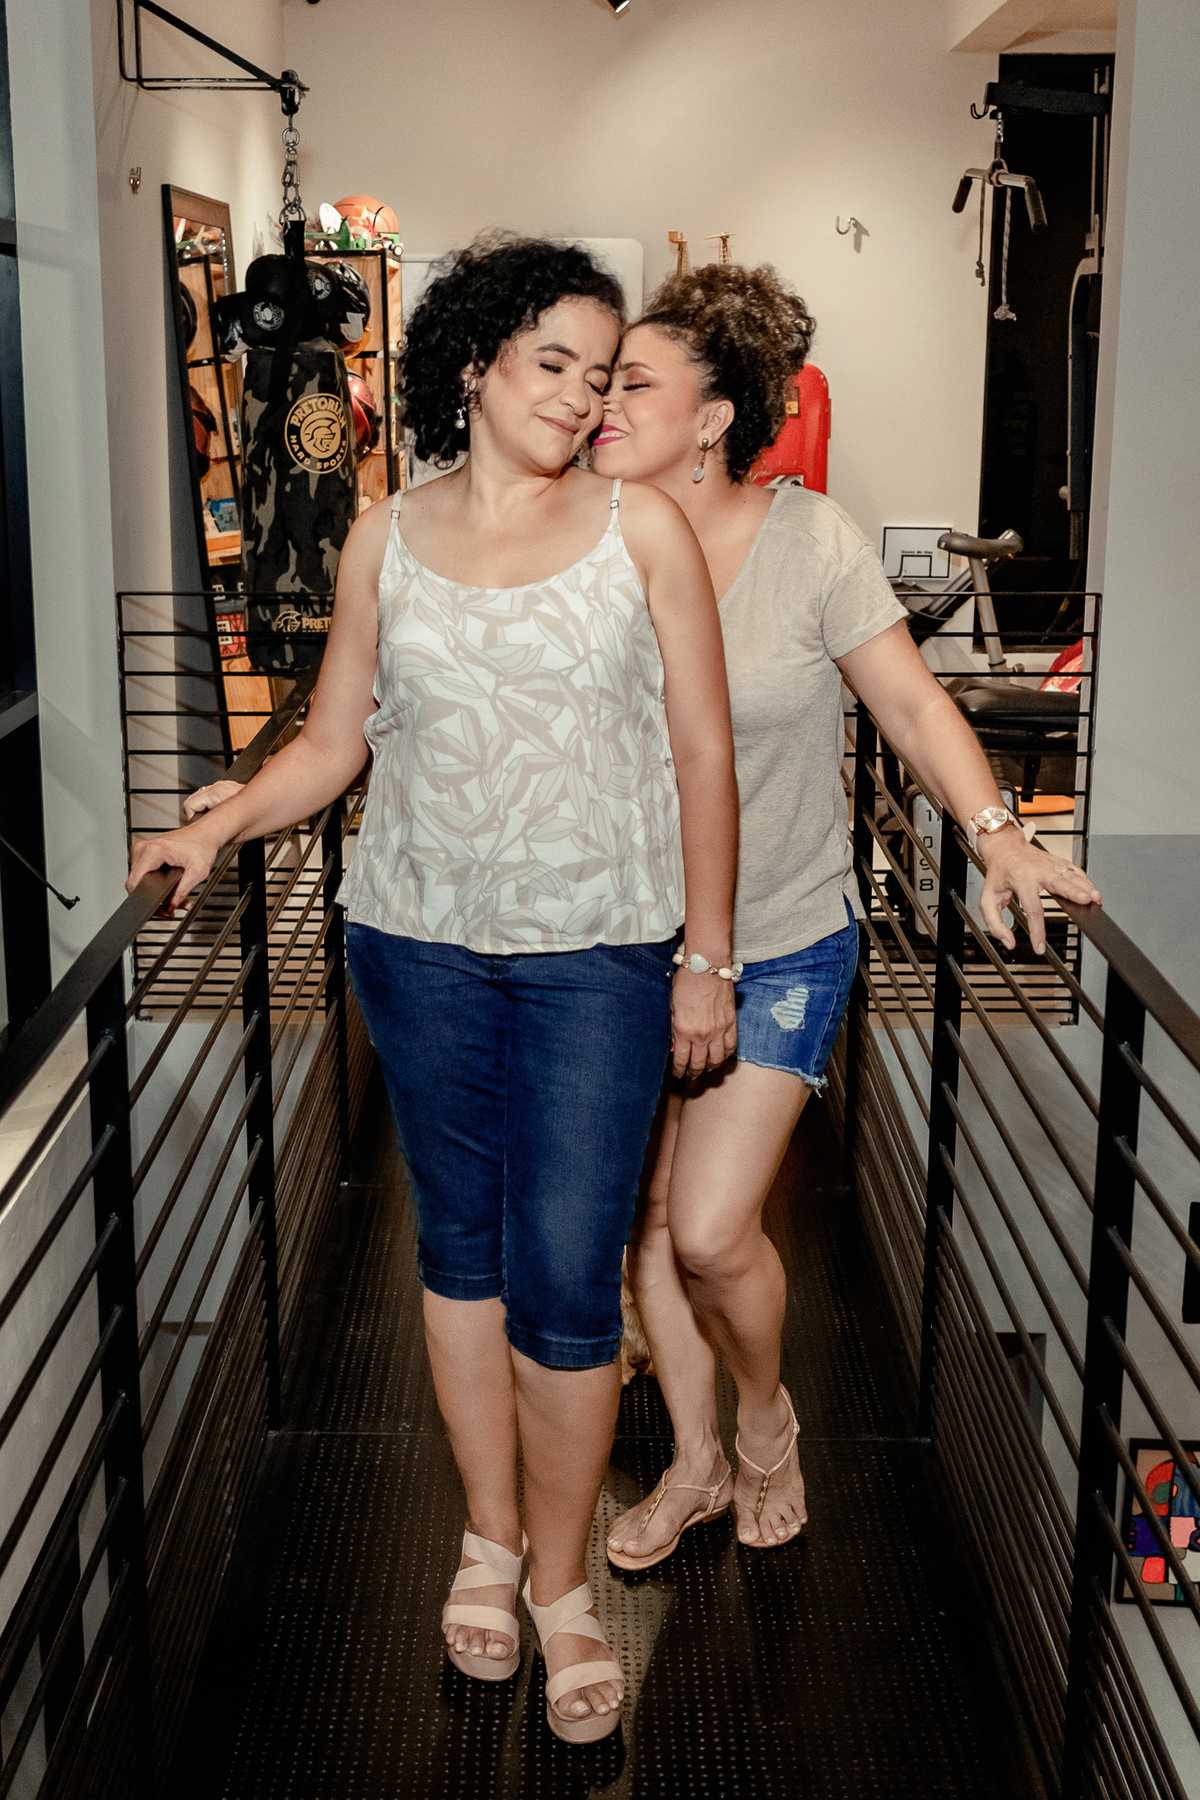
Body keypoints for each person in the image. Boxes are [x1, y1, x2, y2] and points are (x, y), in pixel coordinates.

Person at [129, 235, 739, 1745]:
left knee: (569, 1278)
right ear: (473, 363)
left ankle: (564, 1588)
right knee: (460, 1254)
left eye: (602, 375)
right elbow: (336, 743)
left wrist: (707, 956)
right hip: (416, 944)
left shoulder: (645, 529)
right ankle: (489, 1540)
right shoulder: (382, 536)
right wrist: (223, 823)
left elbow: (705, 755)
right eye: (553, 363)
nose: (581, 397)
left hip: (599, 954)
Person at [592, 262, 1102, 1568]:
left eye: (634, 383)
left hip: (780, 940)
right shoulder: (589, 540)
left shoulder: (810, 540)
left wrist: (998, 832)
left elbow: (915, 705)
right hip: (624, 945)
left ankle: (765, 1418)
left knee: (711, 1229)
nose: (604, 403)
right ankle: (695, 1463)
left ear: (715, 418)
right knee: (644, 1226)